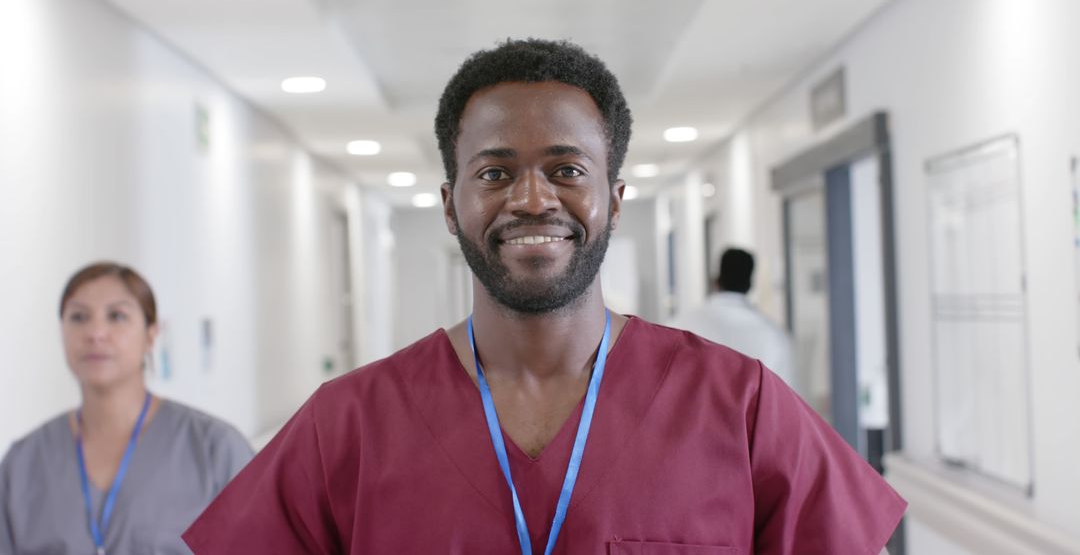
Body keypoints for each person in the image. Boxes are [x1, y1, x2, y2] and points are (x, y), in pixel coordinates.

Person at [183, 39, 905, 554]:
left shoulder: (740, 406)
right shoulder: (348, 426)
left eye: (566, 168)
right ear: (448, 204)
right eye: (495, 173)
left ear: (615, 200)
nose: (532, 199)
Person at [0, 261, 253, 554]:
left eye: (117, 316)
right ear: (62, 333)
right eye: (79, 317)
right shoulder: (22, 466)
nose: (95, 332)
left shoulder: (215, 450)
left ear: (151, 334)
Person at [668, 248, 798, 390]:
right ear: (749, 285)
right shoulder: (775, 336)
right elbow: (785, 399)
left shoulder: (679, 325)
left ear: (717, 280)